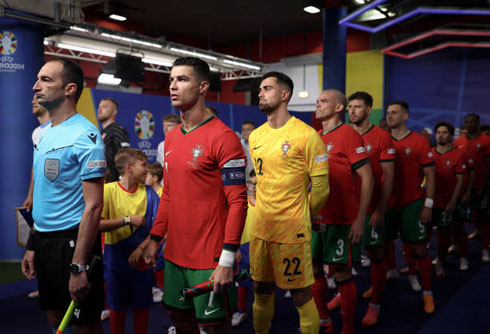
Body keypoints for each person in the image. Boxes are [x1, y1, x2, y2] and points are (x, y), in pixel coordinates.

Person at [144, 57, 248, 334]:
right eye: (171, 80)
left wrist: (227, 259)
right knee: (181, 322)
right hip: (175, 255)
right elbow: (168, 195)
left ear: (203, 87)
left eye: (182, 79)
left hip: (209, 259)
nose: (173, 86)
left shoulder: (224, 137)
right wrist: (155, 239)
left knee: (215, 327)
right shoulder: (172, 139)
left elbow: (238, 202)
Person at [22, 58, 106, 333]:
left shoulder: (87, 135)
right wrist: (34, 243)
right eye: (37, 79)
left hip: (72, 242)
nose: (36, 87)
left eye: (46, 80)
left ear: (70, 89)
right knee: (55, 317)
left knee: (84, 325)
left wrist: (79, 265)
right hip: (44, 242)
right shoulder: (43, 135)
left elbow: (93, 207)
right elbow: (44, 196)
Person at [248, 71, 329, 334]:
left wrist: (303, 214)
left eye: (267, 88)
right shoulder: (256, 136)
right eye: (260, 89)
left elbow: (321, 188)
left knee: (300, 293)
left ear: (285, 95)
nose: (261, 93)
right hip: (261, 228)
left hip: (291, 230)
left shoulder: (307, 136)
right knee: (261, 288)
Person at [313, 89, 374, 334]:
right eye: (317, 101)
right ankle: (324, 320)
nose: (317, 105)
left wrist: (360, 219)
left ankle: (347, 328)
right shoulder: (314, 136)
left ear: (339, 108)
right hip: (317, 218)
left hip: (342, 219)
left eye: (323, 101)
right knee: (315, 269)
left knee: (341, 274)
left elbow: (367, 178)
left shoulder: (348, 135)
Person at [99, 148, 159, 334]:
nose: (148, 170)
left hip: (143, 264)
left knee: (142, 307)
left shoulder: (149, 193)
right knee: (117, 308)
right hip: (116, 263)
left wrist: (142, 248)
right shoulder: (108, 191)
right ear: (129, 168)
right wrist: (126, 220)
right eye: (144, 165)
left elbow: (159, 226)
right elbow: (97, 225)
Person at [348, 91, 395, 327]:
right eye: (350, 107)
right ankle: (342, 295)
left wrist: (379, 209)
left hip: (370, 209)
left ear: (368, 110)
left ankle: (375, 305)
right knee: (344, 260)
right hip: (346, 210)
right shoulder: (343, 134)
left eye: (357, 107)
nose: (352, 111)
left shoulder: (382, 137)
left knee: (376, 255)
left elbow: (388, 176)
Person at [385, 100, 436, 314]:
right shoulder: (382, 139)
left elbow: (430, 175)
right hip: (387, 204)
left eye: (394, 113)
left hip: (413, 203)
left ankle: (427, 293)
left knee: (419, 248)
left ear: (405, 116)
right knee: (382, 245)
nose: (389, 116)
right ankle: (381, 284)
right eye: (388, 113)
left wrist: (428, 205)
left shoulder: (419, 141)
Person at [431, 122, 466, 277]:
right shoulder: (429, 153)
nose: (441, 135)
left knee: (444, 234)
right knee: (423, 235)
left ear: (451, 136)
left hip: (447, 202)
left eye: (444, 132)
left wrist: (453, 201)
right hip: (430, 201)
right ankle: (419, 264)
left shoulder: (458, 155)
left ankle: (440, 262)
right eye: (438, 132)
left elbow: (460, 181)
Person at [454, 113, 490, 261]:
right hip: (463, 187)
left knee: (484, 216)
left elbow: (489, 166)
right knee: (458, 219)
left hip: (481, 185)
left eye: (472, 122)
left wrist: (483, 186)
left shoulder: (486, 140)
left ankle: (485, 249)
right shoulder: (458, 142)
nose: (469, 125)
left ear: (478, 123)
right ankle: (456, 245)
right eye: (467, 122)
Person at [232, 170, 257, 327]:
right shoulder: (242, 203)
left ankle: (262, 316)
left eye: (256, 184)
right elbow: (236, 228)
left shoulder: (267, 204)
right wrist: (236, 248)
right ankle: (241, 311)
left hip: (261, 249)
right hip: (244, 249)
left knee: (261, 286)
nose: (253, 187)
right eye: (250, 183)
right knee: (242, 282)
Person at [23, 96, 52, 212]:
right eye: (33, 98)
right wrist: (31, 195)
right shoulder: (36, 132)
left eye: (38, 98)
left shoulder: (58, 128)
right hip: (41, 199)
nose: (32, 101)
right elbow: (36, 166)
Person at [97, 97, 130, 182]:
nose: (100, 110)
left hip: (114, 183)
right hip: (101, 181)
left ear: (114, 112)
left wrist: (122, 179)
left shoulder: (117, 130)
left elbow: (124, 156)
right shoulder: (100, 132)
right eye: (99, 107)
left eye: (104, 107)